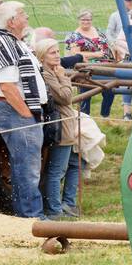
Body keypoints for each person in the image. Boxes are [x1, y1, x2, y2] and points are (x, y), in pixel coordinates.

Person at [0, 1, 48, 218]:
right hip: (14, 109)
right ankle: (32, 215)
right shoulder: (6, 44)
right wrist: (26, 114)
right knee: (28, 164)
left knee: (24, 162)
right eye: (22, 14)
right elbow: (8, 87)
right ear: (12, 22)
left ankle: (25, 213)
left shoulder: (15, 42)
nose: (27, 17)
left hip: (18, 109)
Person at [35, 38, 81, 219]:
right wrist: (63, 77)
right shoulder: (47, 75)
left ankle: (68, 204)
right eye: (52, 52)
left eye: (57, 52)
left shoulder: (52, 72)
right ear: (42, 56)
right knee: (56, 171)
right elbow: (66, 97)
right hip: (60, 126)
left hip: (67, 124)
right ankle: (54, 211)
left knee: (75, 164)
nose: (57, 55)